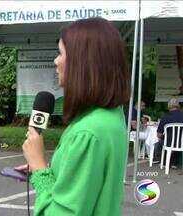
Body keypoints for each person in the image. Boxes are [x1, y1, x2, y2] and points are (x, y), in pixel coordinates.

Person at [18, 18, 130, 215]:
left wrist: (39, 168)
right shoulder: (112, 116)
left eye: (60, 53)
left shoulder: (87, 133)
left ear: (82, 63)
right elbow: (88, 185)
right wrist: (50, 169)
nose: (55, 61)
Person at [154, 97, 183, 167]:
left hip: (168, 142)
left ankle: (164, 162)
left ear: (168, 105)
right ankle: (174, 163)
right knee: (177, 141)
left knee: (160, 142)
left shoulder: (165, 117)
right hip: (181, 142)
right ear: (178, 105)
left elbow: (159, 135)